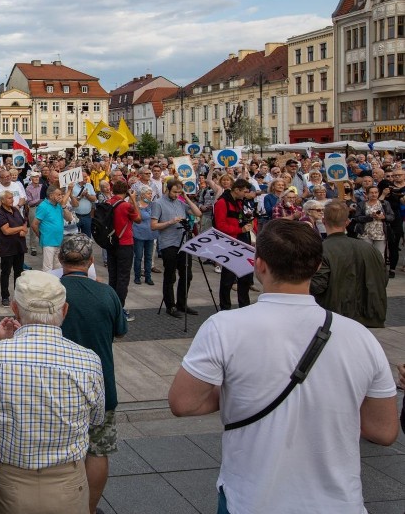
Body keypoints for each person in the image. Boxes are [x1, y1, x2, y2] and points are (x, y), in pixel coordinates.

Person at [168, 218, 398, 512]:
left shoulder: (224, 326)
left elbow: (183, 403)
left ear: (259, 264)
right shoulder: (360, 336)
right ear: (317, 267)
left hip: (251, 499)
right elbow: (383, 431)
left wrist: (242, 391)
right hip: (339, 502)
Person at [0, 270, 104, 514]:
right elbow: (96, 419)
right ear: (65, 310)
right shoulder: (88, 360)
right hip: (68, 485)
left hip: (6, 483)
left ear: (15, 308)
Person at [57, 234, 125, 514]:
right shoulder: (107, 293)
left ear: (60, 260)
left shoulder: (52, 293)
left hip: (59, 386)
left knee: (59, 451)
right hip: (100, 385)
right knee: (98, 450)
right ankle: (89, 508)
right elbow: (119, 332)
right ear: (91, 262)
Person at [311, 200, 388, 329]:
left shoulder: (320, 250)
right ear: (347, 222)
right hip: (369, 315)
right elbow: (382, 279)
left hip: (335, 316)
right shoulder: (370, 249)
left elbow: (318, 285)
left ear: (324, 221)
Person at [151, 179, 202, 318]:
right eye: (174, 192)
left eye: (178, 192)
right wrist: (170, 222)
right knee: (170, 275)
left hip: (183, 242)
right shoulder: (158, 203)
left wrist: (185, 197)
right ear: (168, 189)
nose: (176, 194)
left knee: (187, 274)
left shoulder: (180, 202)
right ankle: (170, 305)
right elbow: (153, 225)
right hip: (168, 243)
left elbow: (198, 213)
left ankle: (182, 303)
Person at [213, 179, 254, 310]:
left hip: (243, 241)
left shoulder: (240, 202)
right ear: (237, 190)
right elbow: (220, 225)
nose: (246, 194)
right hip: (229, 243)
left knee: (245, 277)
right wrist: (239, 230)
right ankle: (225, 307)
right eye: (245, 192)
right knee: (228, 279)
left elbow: (240, 218)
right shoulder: (222, 202)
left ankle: (244, 306)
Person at [105, 180, 141, 321]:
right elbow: (138, 218)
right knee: (123, 278)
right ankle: (119, 309)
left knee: (113, 276)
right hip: (124, 243)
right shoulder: (125, 205)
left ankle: (111, 305)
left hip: (110, 242)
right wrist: (133, 200)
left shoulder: (108, 202)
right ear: (126, 191)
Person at [0, 189, 28, 307]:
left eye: (12, 197)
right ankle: (5, 296)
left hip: (19, 246)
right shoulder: (0, 213)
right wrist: (20, 229)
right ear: (2, 200)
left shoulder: (15, 210)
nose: (12, 199)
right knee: (6, 272)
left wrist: (24, 230)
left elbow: (24, 223)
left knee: (19, 272)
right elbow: (6, 231)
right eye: (9, 198)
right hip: (7, 247)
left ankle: (18, 296)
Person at [32, 184, 73, 272]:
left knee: (58, 267)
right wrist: (41, 236)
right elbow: (34, 224)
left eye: (61, 194)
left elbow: (69, 218)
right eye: (58, 194)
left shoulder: (58, 205)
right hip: (48, 241)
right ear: (51, 195)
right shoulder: (43, 206)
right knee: (48, 268)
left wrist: (64, 206)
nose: (61, 196)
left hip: (59, 240)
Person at [377, 168, 405, 277]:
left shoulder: (395, 192)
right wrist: (383, 194)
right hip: (381, 221)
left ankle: (392, 269)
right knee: (382, 245)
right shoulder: (379, 195)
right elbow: (376, 205)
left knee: (394, 245)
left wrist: (399, 195)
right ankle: (381, 266)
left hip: (395, 221)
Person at [356, 186, 393, 258]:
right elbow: (357, 218)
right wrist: (369, 217)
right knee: (366, 255)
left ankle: (379, 269)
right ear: (367, 194)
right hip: (365, 233)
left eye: (376, 192)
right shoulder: (362, 204)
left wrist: (384, 217)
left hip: (380, 234)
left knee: (379, 255)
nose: (374, 194)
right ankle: (368, 269)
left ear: (378, 193)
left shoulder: (384, 203)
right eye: (371, 193)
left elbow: (392, 216)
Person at [133, 187, 157, 286]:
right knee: (138, 256)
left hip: (150, 234)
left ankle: (148, 277)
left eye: (151, 193)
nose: (150, 195)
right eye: (148, 193)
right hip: (139, 234)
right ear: (142, 195)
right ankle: (137, 276)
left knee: (148, 257)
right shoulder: (137, 205)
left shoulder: (153, 205)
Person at [71, 170, 97, 237]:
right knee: (74, 238)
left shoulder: (89, 185)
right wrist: (81, 196)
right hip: (75, 216)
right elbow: (71, 202)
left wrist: (87, 195)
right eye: (84, 176)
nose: (86, 178)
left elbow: (94, 199)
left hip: (87, 217)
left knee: (87, 238)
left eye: (87, 176)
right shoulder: (72, 187)